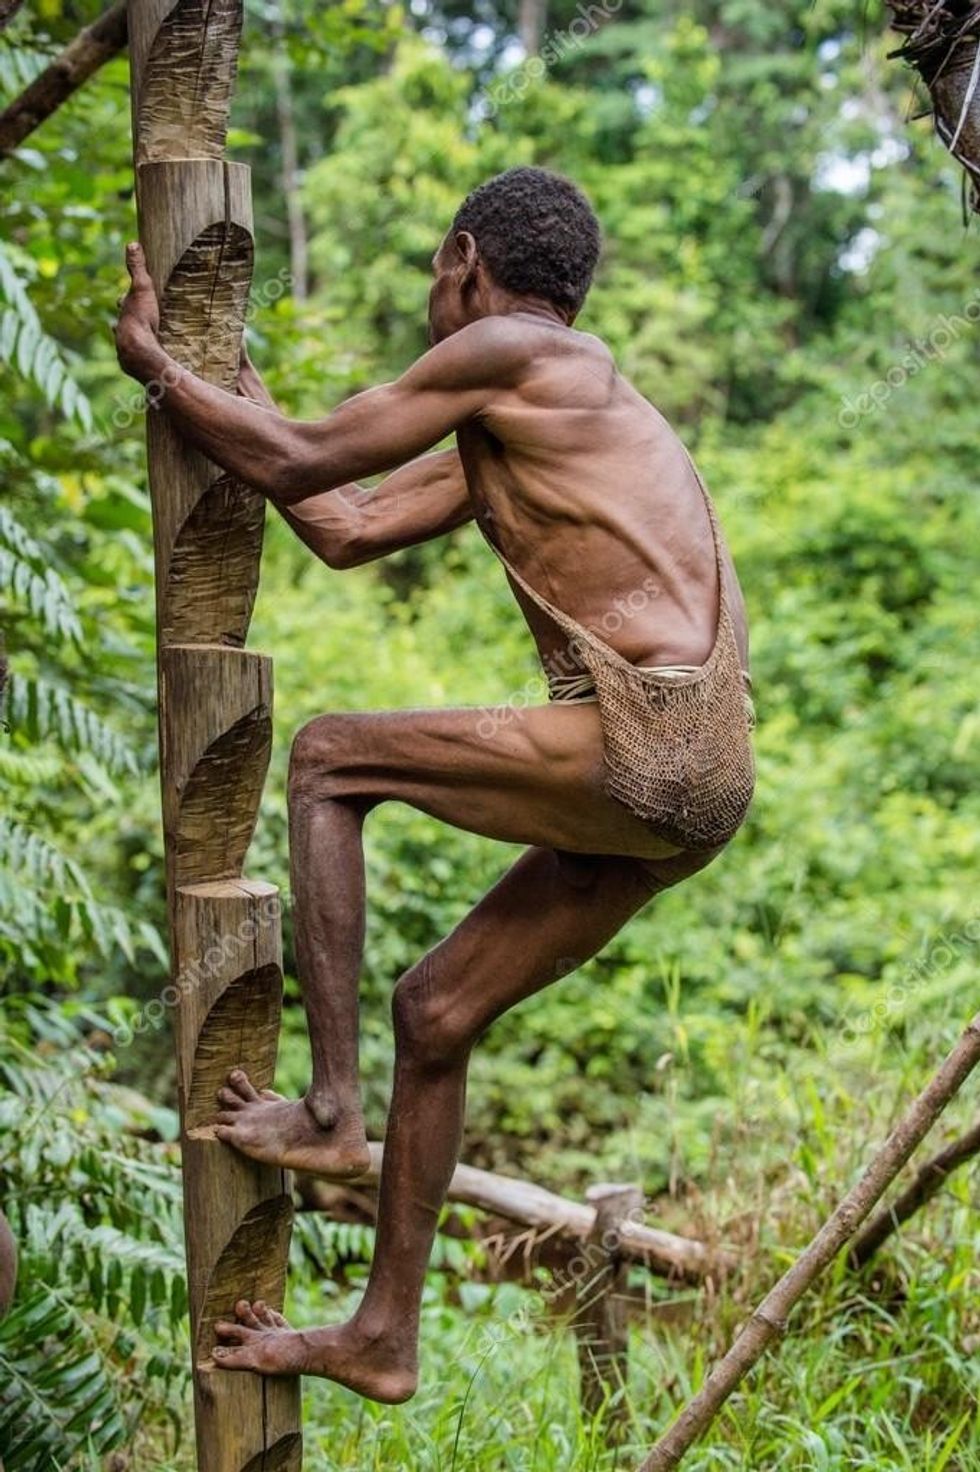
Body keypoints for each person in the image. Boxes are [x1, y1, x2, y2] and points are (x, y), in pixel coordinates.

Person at [115, 165, 755, 1403]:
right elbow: (343, 519)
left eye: (429, 272)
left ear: (465, 261)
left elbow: (297, 461)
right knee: (440, 1010)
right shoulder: (537, 403)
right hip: (704, 777)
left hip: (647, 735)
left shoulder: (510, 351)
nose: (429, 292)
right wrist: (232, 392)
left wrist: (157, 367)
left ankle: (332, 1108)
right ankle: (384, 1336)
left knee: (325, 754)